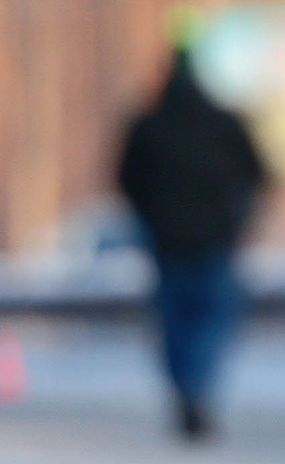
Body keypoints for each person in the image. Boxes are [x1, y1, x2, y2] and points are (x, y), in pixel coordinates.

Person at [115, 43, 268, 441]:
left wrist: (150, 219)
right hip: (215, 242)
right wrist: (237, 219)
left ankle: (187, 389)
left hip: (168, 245)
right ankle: (199, 388)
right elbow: (259, 175)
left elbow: (126, 182)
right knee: (211, 323)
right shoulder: (225, 123)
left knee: (175, 325)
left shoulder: (148, 126)